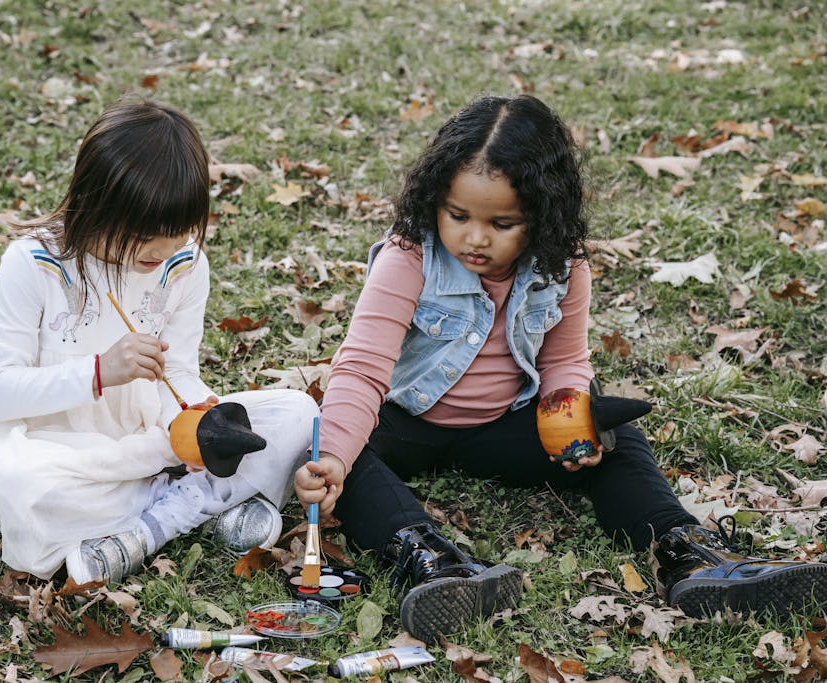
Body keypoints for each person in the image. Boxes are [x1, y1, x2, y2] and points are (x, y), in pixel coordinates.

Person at [294, 94, 827, 643]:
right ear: (435, 201)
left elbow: (565, 362)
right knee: (331, 446)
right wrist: (333, 454)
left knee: (618, 435)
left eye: (502, 223)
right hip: (403, 420)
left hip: (504, 424)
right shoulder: (408, 258)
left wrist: (570, 425)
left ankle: (686, 552)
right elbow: (361, 368)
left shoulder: (563, 266)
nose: (475, 237)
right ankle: (430, 560)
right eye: (458, 216)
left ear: (542, 216)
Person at [0, 97, 318, 585]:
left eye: (180, 231)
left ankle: (149, 526)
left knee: (299, 414)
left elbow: (180, 371)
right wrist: (99, 372)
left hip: (151, 442)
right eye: (149, 234)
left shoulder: (182, 264)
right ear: (98, 203)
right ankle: (192, 510)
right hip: (55, 448)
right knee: (28, 490)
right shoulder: (34, 265)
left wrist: (195, 419)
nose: (165, 250)